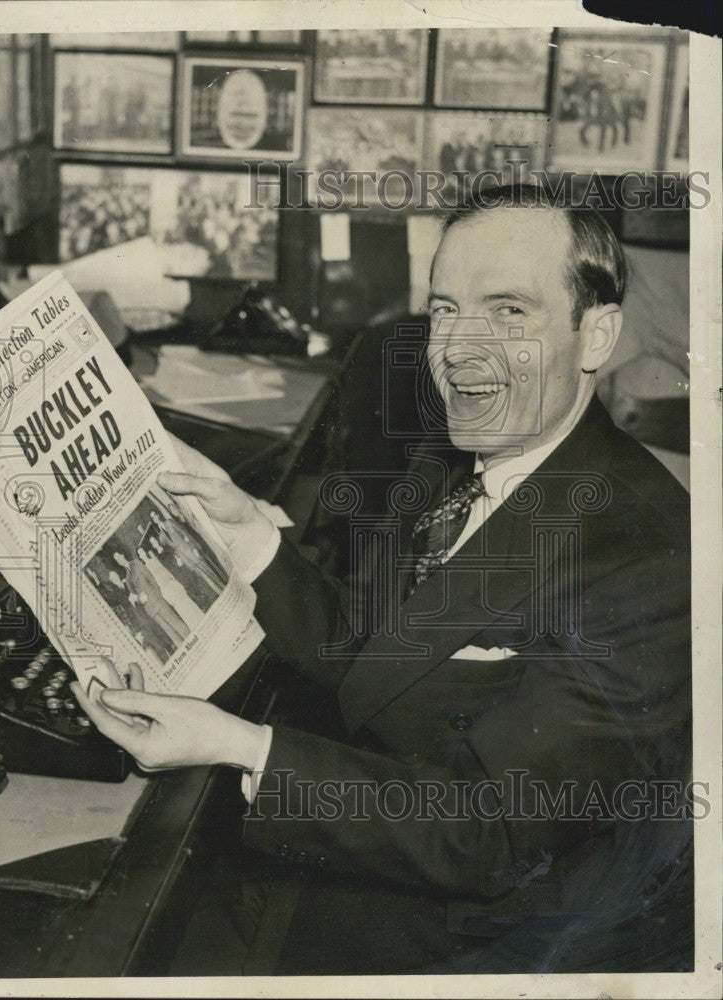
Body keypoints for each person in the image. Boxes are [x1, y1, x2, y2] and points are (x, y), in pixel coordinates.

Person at [74, 185, 692, 975]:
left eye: (509, 312)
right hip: (369, 870)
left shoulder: (650, 556)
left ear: (595, 333)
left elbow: (491, 833)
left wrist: (238, 746)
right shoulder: (464, 455)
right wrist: (250, 535)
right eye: (443, 311)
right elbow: (378, 659)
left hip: (482, 943)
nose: (460, 348)